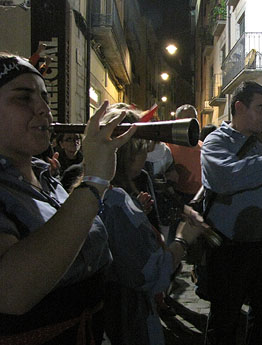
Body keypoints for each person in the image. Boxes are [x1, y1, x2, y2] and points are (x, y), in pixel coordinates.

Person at [0, 53, 136, 344]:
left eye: (43, 97)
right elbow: (11, 293)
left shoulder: (46, 176)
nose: (43, 110)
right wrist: (94, 180)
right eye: (23, 98)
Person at [201, 81, 262, 345]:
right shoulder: (216, 142)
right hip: (233, 246)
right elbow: (227, 178)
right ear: (239, 107)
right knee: (225, 319)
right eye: (260, 108)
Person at [98, 103, 205, 345]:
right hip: (126, 317)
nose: (147, 155)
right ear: (128, 151)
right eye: (142, 149)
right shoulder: (115, 200)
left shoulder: (115, 187)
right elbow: (153, 273)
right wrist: (183, 238)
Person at [167, 104, 203, 204]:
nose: (192, 121)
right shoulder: (168, 145)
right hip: (178, 197)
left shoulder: (203, 146)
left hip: (200, 197)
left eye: (194, 118)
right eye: (188, 117)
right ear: (178, 120)